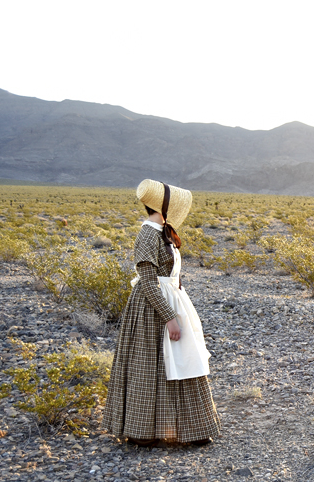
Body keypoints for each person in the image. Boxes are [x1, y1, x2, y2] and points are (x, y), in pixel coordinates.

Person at [103, 179, 219, 447]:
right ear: (164, 206)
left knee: (182, 360)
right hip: (150, 308)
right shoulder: (147, 234)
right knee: (149, 366)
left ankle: (192, 429)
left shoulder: (160, 232)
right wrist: (169, 317)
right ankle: (142, 431)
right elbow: (147, 281)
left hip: (171, 299)